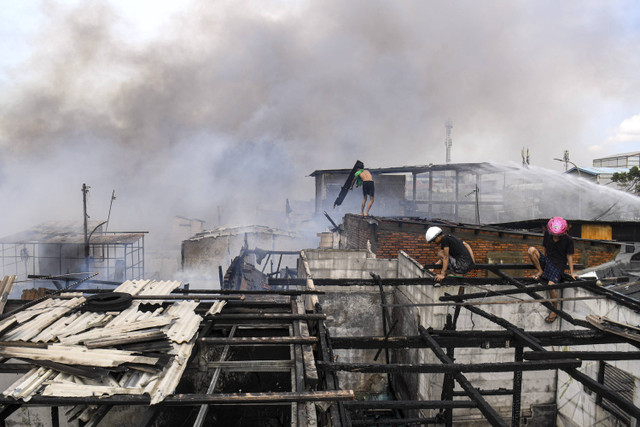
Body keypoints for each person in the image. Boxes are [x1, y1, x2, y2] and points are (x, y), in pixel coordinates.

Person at [527, 216, 576, 323]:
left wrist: (572, 273)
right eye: (554, 234)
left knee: (551, 285)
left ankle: (554, 310)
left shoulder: (568, 240)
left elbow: (569, 256)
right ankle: (540, 271)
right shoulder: (547, 235)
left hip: (558, 266)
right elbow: (545, 249)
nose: (555, 236)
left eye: (558, 234)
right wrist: (542, 262)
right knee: (531, 250)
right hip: (547, 261)